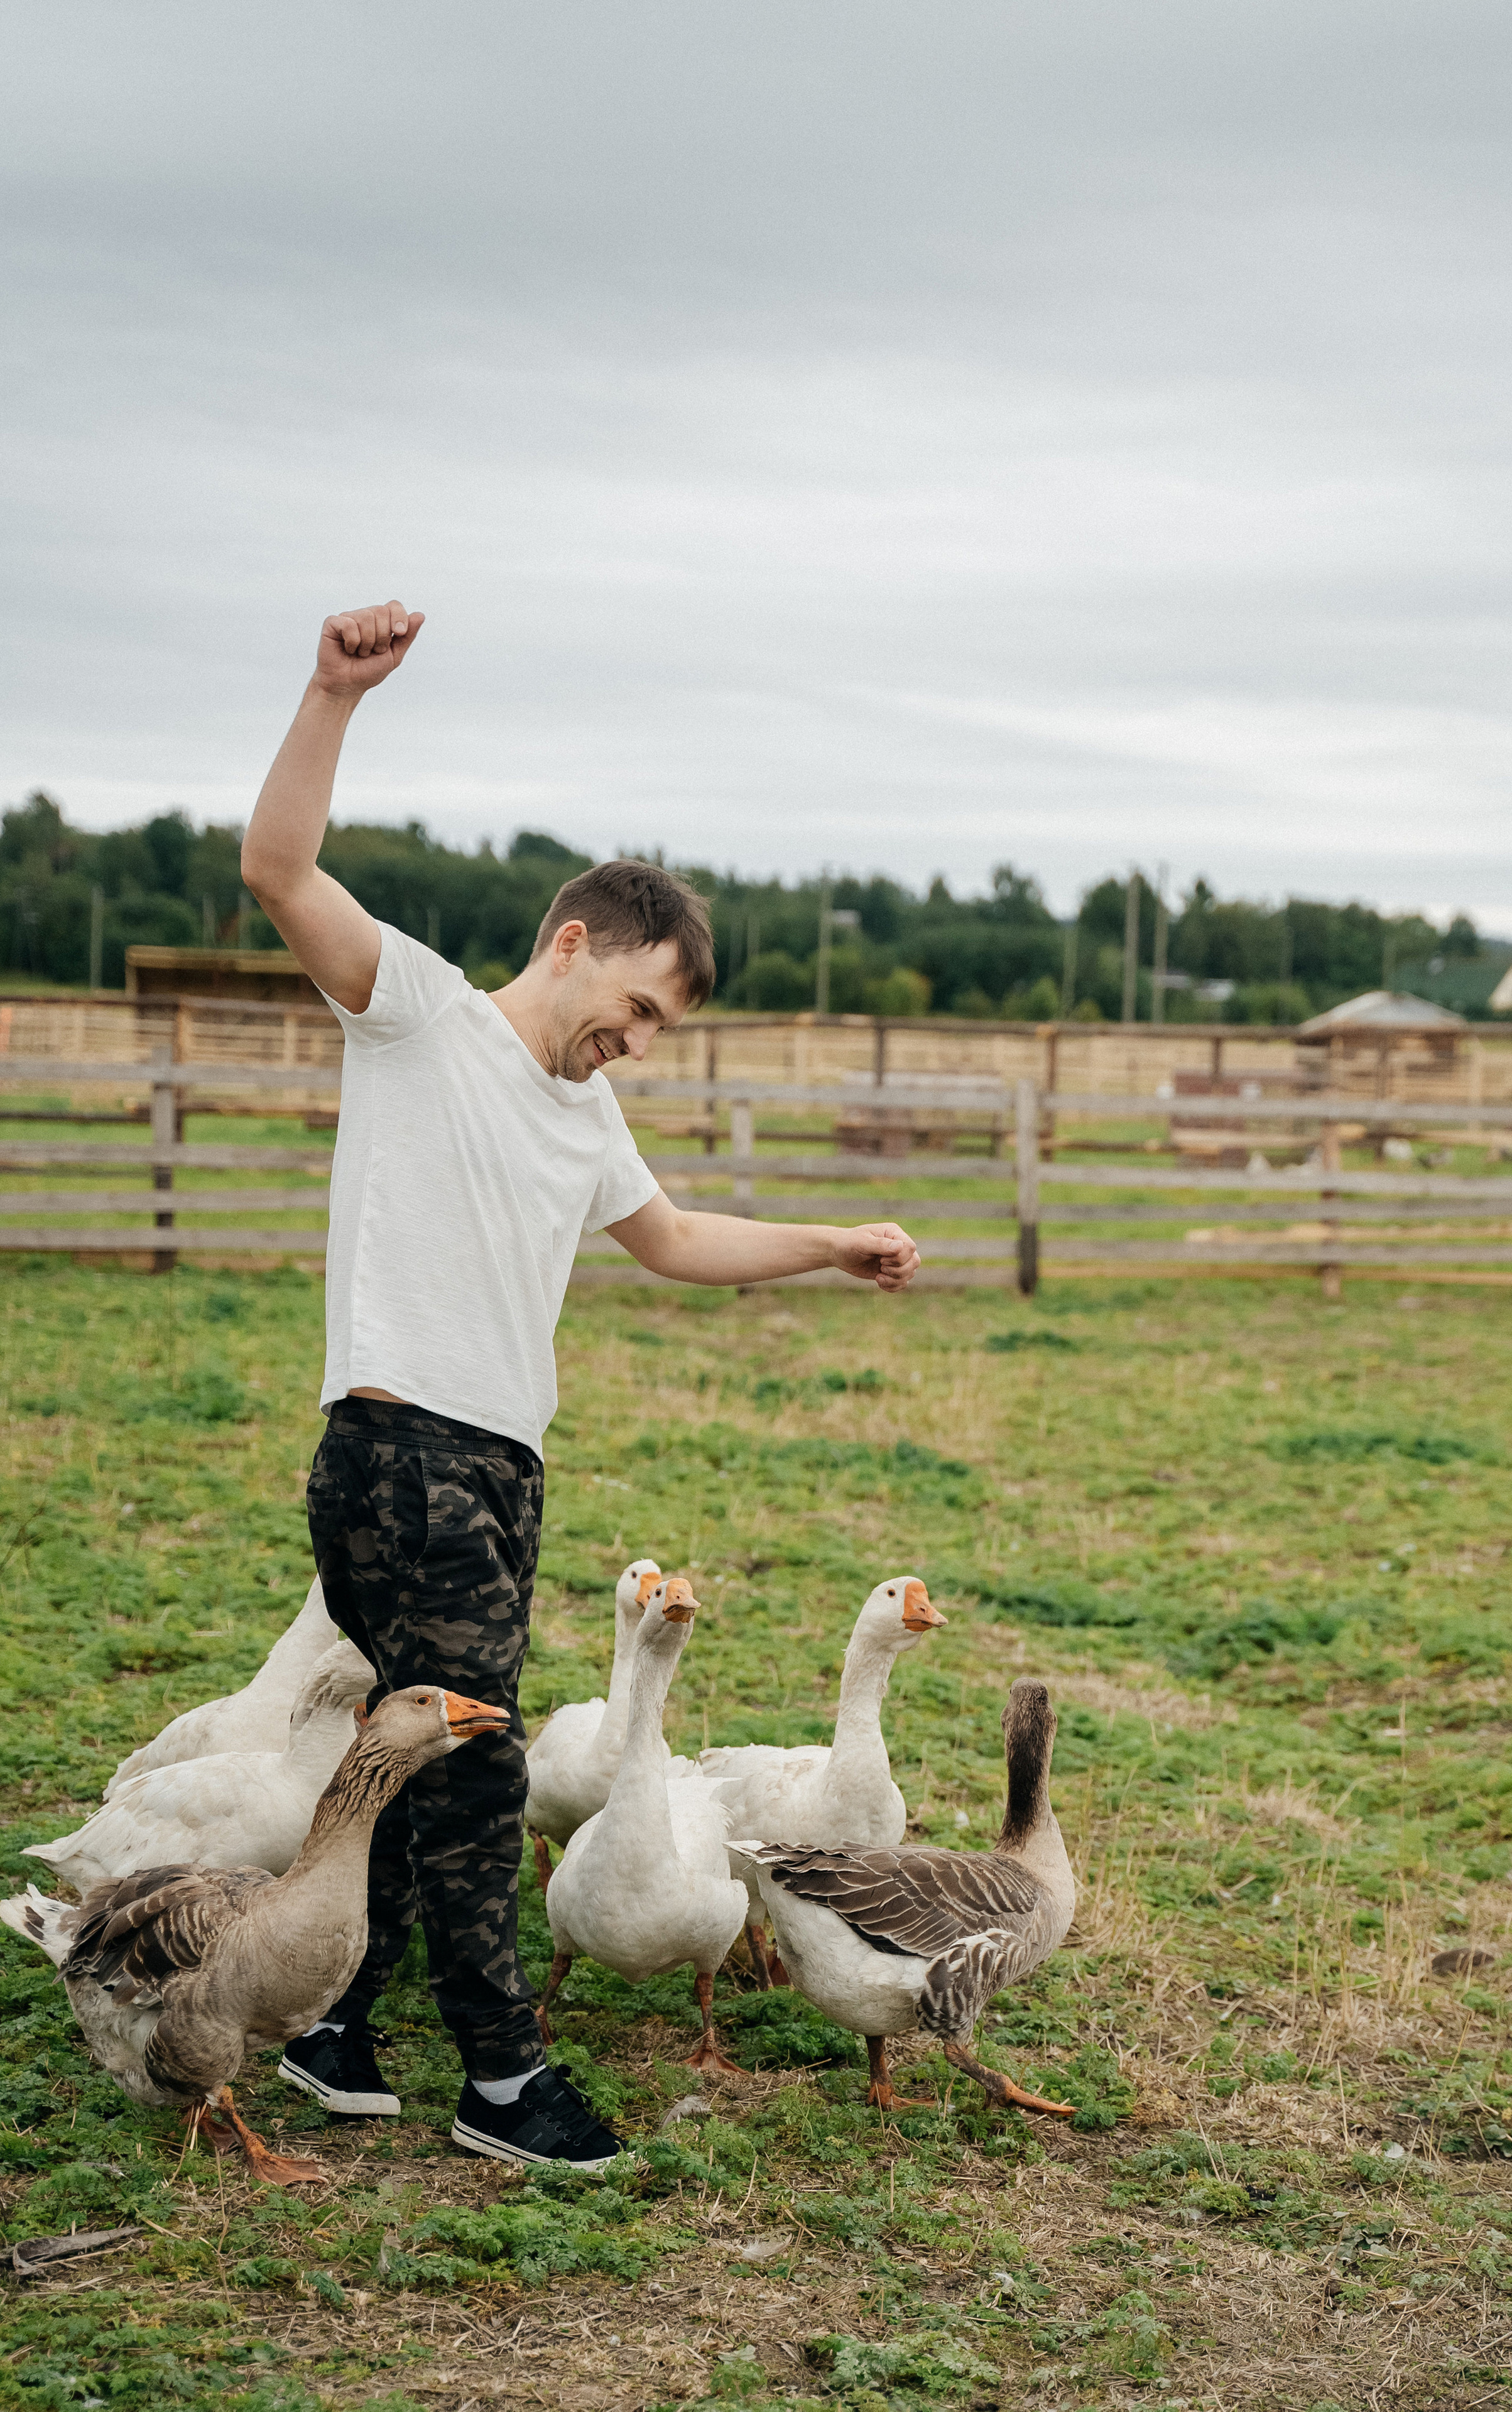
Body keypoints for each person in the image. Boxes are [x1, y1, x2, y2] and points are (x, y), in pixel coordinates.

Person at [240, 600, 920, 2174]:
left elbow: (672, 1238)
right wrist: (331, 696)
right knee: (478, 1759)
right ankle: (499, 2083)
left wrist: (828, 1244)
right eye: (643, 1005)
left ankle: (336, 2027)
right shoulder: (417, 1016)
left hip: (496, 1466)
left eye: (662, 1028)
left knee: (420, 1746)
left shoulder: (583, 1118)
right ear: (575, 944)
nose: (639, 1040)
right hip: (397, 1444)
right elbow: (281, 870)